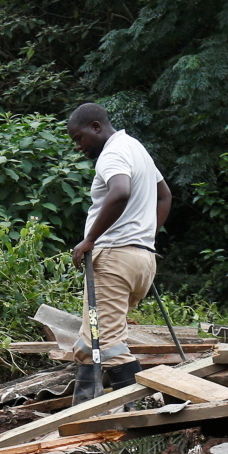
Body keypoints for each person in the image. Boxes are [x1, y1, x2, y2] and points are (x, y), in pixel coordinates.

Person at [65, 102, 171, 404]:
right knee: (90, 342)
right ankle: (83, 419)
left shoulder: (112, 153)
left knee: (108, 344)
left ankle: (146, 414)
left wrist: (90, 239)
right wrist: (147, 236)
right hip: (141, 261)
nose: (79, 146)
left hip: (113, 260)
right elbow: (164, 195)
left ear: (96, 127)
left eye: (80, 138)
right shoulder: (136, 147)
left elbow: (120, 191)